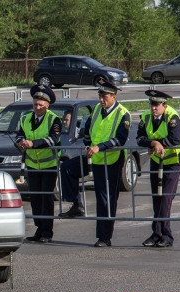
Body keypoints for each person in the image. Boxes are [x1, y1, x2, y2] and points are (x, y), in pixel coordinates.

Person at [73, 78, 131, 247]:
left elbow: (120, 139)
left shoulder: (123, 113)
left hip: (112, 160)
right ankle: (76, 204)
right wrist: (88, 143)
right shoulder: (98, 109)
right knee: (69, 169)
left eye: (104, 96)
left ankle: (105, 237)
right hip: (96, 159)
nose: (101, 99)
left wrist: (100, 147)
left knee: (108, 199)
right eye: (100, 95)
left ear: (113, 96)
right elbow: (89, 129)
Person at [136, 90, 180, 248]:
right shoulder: (145, 117)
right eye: (151, 104)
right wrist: (152, 144)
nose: (153, 108)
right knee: (157, 197)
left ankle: (167, 235)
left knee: (166, 197)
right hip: (157, 161)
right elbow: (139, 138)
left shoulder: (172, 117)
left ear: (165, 105)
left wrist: (157, 143)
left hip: (173, 160)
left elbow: (175, 139)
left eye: (157, 104)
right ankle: (156, 234)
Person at [17, 84, 62, 244]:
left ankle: (47, 232)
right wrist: (21, 142)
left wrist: (33, 143)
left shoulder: (54, 119)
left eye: (41, 105)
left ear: (47, 105)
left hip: (49, 166)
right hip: (32, 165)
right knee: (35, 199)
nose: (37, 107)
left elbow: (53, 139)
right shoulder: (25, 118)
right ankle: (38, 229)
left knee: (46, 199)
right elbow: (19, 135)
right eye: (35, 104)